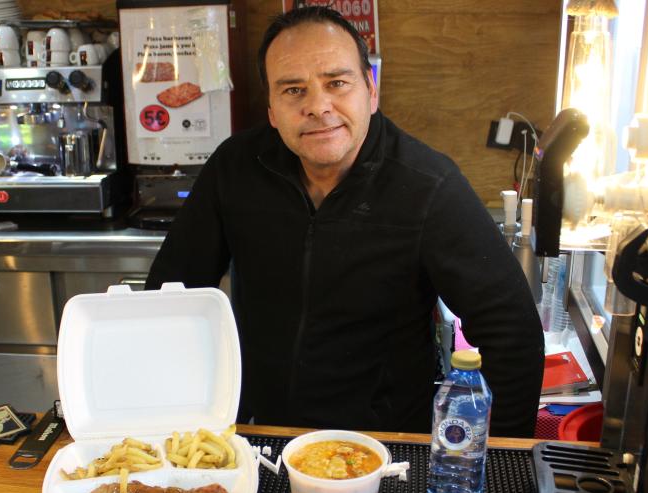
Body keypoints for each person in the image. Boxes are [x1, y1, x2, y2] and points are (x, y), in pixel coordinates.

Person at [145, 6, 544, 437]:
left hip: (386, 446)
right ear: (272, 109)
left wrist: (502, 459)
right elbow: (170, 296)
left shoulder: (428, 185)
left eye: (336, 82)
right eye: (293, 90)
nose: (318, 107)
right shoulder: (236, 168)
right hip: (261, 437)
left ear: (371, 91)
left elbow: (512, 332)